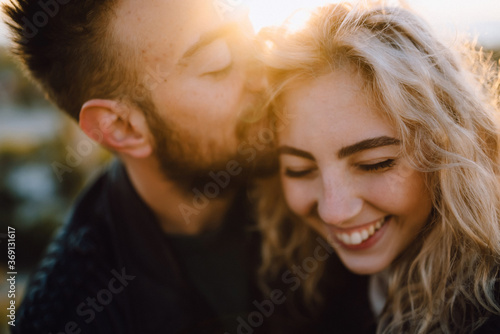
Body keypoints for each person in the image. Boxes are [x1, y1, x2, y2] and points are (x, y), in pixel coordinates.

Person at [2, 0, 276, 333]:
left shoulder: (314, 176)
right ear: (122, 127)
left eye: (248, 34)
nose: (266, 76)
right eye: (218, 63)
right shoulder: (70, 315)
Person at [257, 2, 500, 333]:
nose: (334, 212)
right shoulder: (305, 287)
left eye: (375, 164)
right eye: (299, 168)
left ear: (448, 150)